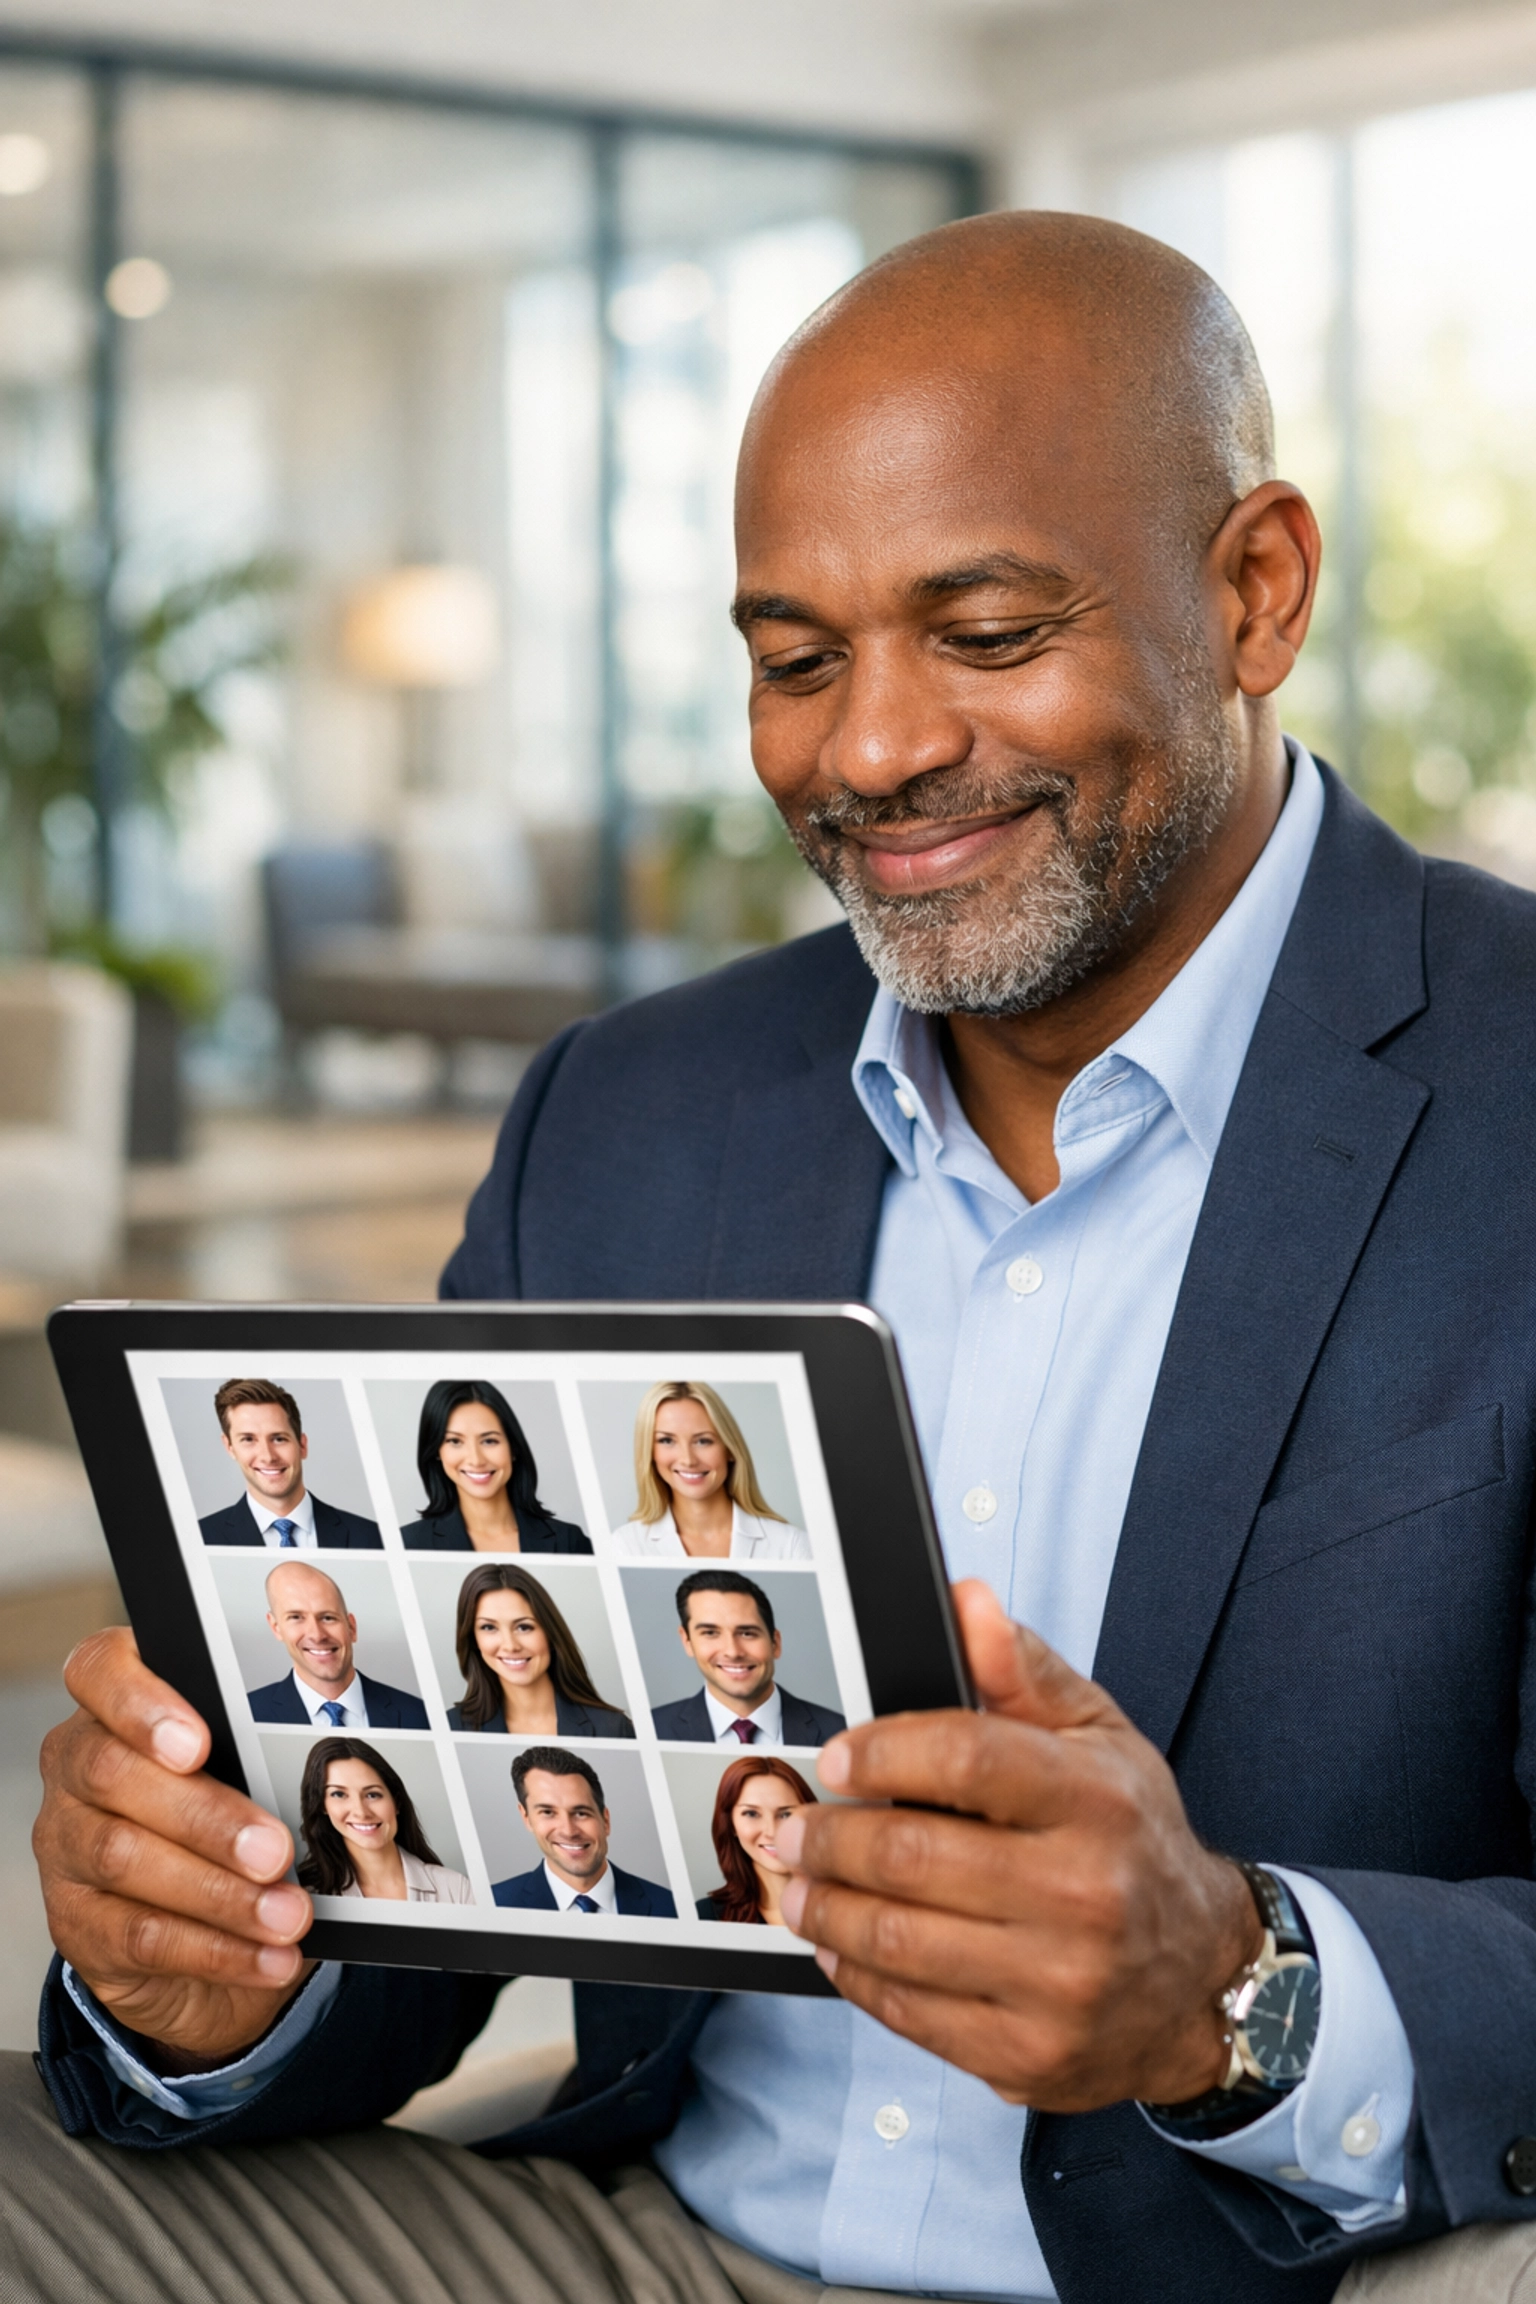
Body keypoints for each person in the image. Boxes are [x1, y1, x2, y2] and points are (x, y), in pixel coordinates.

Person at [24, 209, 1536, 2304]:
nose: (872, 751)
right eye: (797, 660)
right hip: (647, 2234)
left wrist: (1241, 1991)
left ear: (1254, 588)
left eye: (987, 632)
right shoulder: (625, 1118)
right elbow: (448, 1884)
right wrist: (211, 1961)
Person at [609, 1380, 810, 1558]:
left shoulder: (791, 1545)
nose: (688, 1460)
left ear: (730, 1448)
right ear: (649, 1452)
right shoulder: (625, 1546)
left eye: (703, 1441)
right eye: (667, 1440)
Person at [649, 1569, 845, 1746]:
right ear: (687, 1642)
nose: (733, 1652)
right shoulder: (650, 1729)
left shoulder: (841, 1733)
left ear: (775, 1643)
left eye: (747, 1633)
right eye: (710, 1633)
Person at [399, 1379, 591, 1553]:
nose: (476, 1460)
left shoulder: (570, 1541)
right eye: (455, 1441)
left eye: (489, 1441)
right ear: (436, 1452)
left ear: (513, 1448)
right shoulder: (408, 1543)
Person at [445, 1562, 633, 1738]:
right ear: (473, 1639)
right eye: (488, 1627)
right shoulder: (450, 1727)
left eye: (524, 1627)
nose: (510, 1645)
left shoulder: (612, 1728)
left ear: (550, 1633)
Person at [197, 1377, 382, 1548]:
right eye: (248, 1439)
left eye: (278, 1439)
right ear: (229, 1447)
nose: (268, 1456)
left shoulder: (372, 1537)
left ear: (302, 1445)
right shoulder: (199, 1539)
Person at [490, 1747, 675, 1916]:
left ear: (606, 1820)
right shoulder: (494, 1905)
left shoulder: (670, 1907)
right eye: (548, 1812)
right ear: (526, 1818)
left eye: (581, 1813)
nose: (569, 1831)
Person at [247, 1559, 429, 1729]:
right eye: (296, 1618)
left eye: (328, 1618)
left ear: (352, 1628)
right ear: (276, 1627)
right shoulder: (249, 1714)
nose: (317, 1635)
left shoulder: (419, 1714)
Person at [297, 1737, 473, 1906]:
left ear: (396, 1802)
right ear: (322, 1805)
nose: (361, 1812)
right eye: (339, 1794)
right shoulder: (307, 1895)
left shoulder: (456, 1889)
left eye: (372, 1795)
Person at [695, 1754, 818, 1924]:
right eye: (752, 1814)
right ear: (731, 1825)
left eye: (786, 1814)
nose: (772, 1831)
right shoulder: (703, 1916)